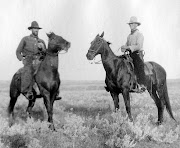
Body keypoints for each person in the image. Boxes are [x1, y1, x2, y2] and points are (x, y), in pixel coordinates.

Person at [16, 21, 46, 99]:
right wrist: (22, 59)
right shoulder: (25, 39)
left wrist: (42, 49)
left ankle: (53, 91)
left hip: (39, 60)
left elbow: (45, 54)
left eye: (37, 29)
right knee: (28, 71)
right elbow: (18, 51)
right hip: (29, 60)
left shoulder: (41, 41)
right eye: (34, 28)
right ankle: (27, 91)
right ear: (31, 29)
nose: (36, 30)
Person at [121, 16, 146, 92]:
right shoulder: (129, 36)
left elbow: (139, 46)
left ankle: (142, 85)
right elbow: (127, 45)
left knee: (139, 66)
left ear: (136, 25)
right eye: (130, 24)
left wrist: (128, 47)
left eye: (132, 24)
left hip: (137, 54)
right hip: (130, 54)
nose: (130, 26)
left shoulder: (139, 34)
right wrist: (123, 47)